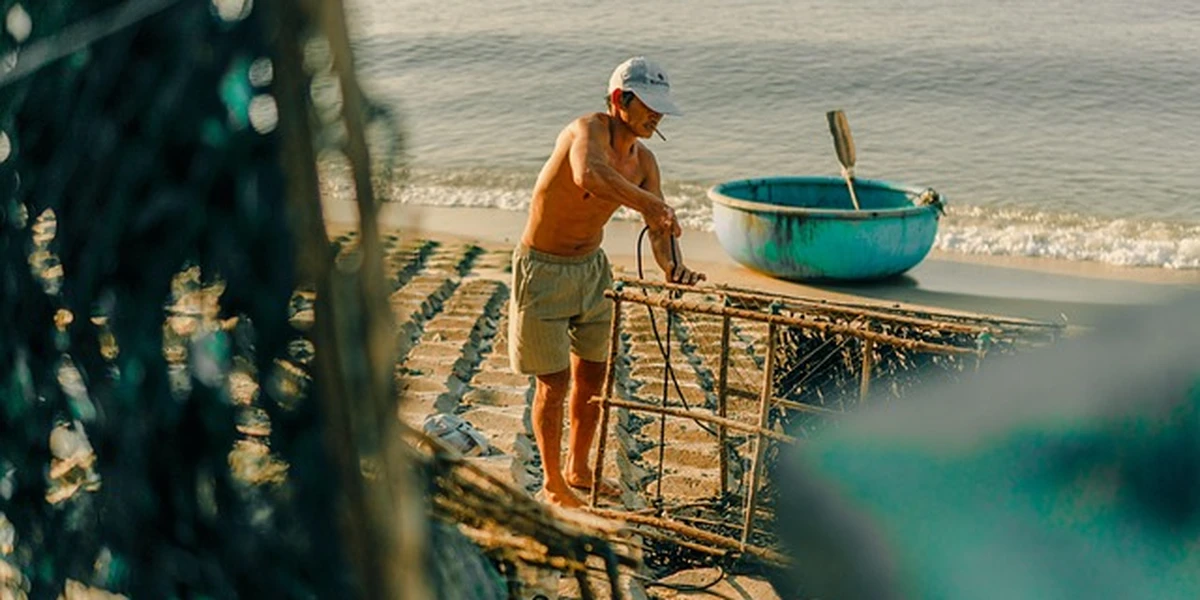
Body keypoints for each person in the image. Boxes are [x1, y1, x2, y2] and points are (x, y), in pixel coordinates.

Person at [509, 56, 706, 508]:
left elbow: (660, 228)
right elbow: (589, 175)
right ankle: (554, 483)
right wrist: (649, 205)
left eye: (660, 108)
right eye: (647, 106)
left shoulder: (645, 162)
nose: (655, 116)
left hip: (592, 270)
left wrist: (673, 267)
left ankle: (579, 468)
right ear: (620, 100)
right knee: (553, 384)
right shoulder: (587, 130)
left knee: (594, 378)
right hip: (543, 268)